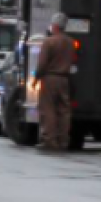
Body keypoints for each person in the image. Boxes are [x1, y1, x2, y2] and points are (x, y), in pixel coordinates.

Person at [34, 12, 75, 151]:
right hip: (64, 79)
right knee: (64, 110)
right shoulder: (70, 42)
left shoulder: (49, 42)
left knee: (48, 109)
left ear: (55, 26)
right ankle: (63, 139)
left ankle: (49, 140)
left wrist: (36, 78)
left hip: (50, 78)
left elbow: (42, 64)